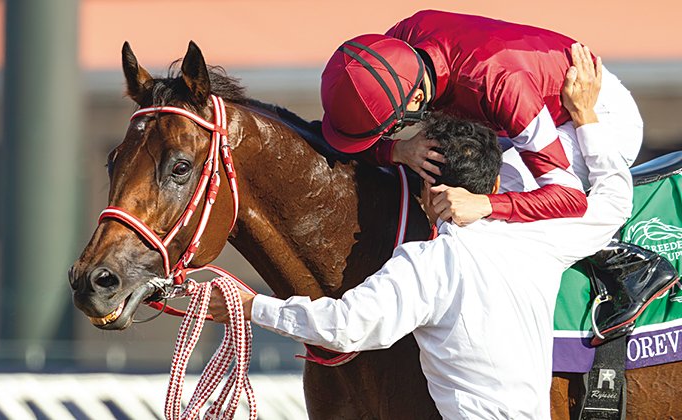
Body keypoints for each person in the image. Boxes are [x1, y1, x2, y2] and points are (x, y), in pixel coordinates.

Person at [209, 51, 631, 418]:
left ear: (429, 194)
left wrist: (250, 306)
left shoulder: (427, 264)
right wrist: (586, 117)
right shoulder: (538, 240)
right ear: (497, 185)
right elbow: (613, 203)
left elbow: (345, 327)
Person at [319, 10, 658, 336]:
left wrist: (485, 204)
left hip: (588, 112)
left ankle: (622, 262)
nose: (390, 135)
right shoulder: (394, 49)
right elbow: (343, 138)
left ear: (417, 97)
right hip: (512, 104)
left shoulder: (502, 87)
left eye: (389, 129)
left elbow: (566, 197)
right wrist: (397, 149)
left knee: (492, 204)